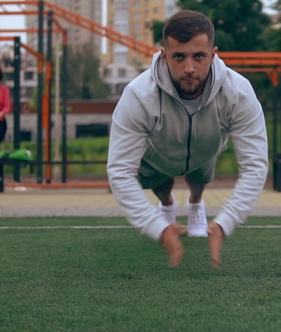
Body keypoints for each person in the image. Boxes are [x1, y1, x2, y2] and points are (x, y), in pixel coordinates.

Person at [107, 10, 268, 269]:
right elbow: (120, 170)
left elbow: (255, 166)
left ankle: (195, 203)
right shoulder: (138, 96)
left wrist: (225, 223)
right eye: (179, 56)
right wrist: (158, 228)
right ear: (164, 55)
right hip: (157, 155)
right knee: (158, 183)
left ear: (214, 55)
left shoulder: (238, 92)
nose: (189, 68)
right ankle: (167, 204)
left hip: (205, 151)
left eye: (199, 56)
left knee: (199, 178)